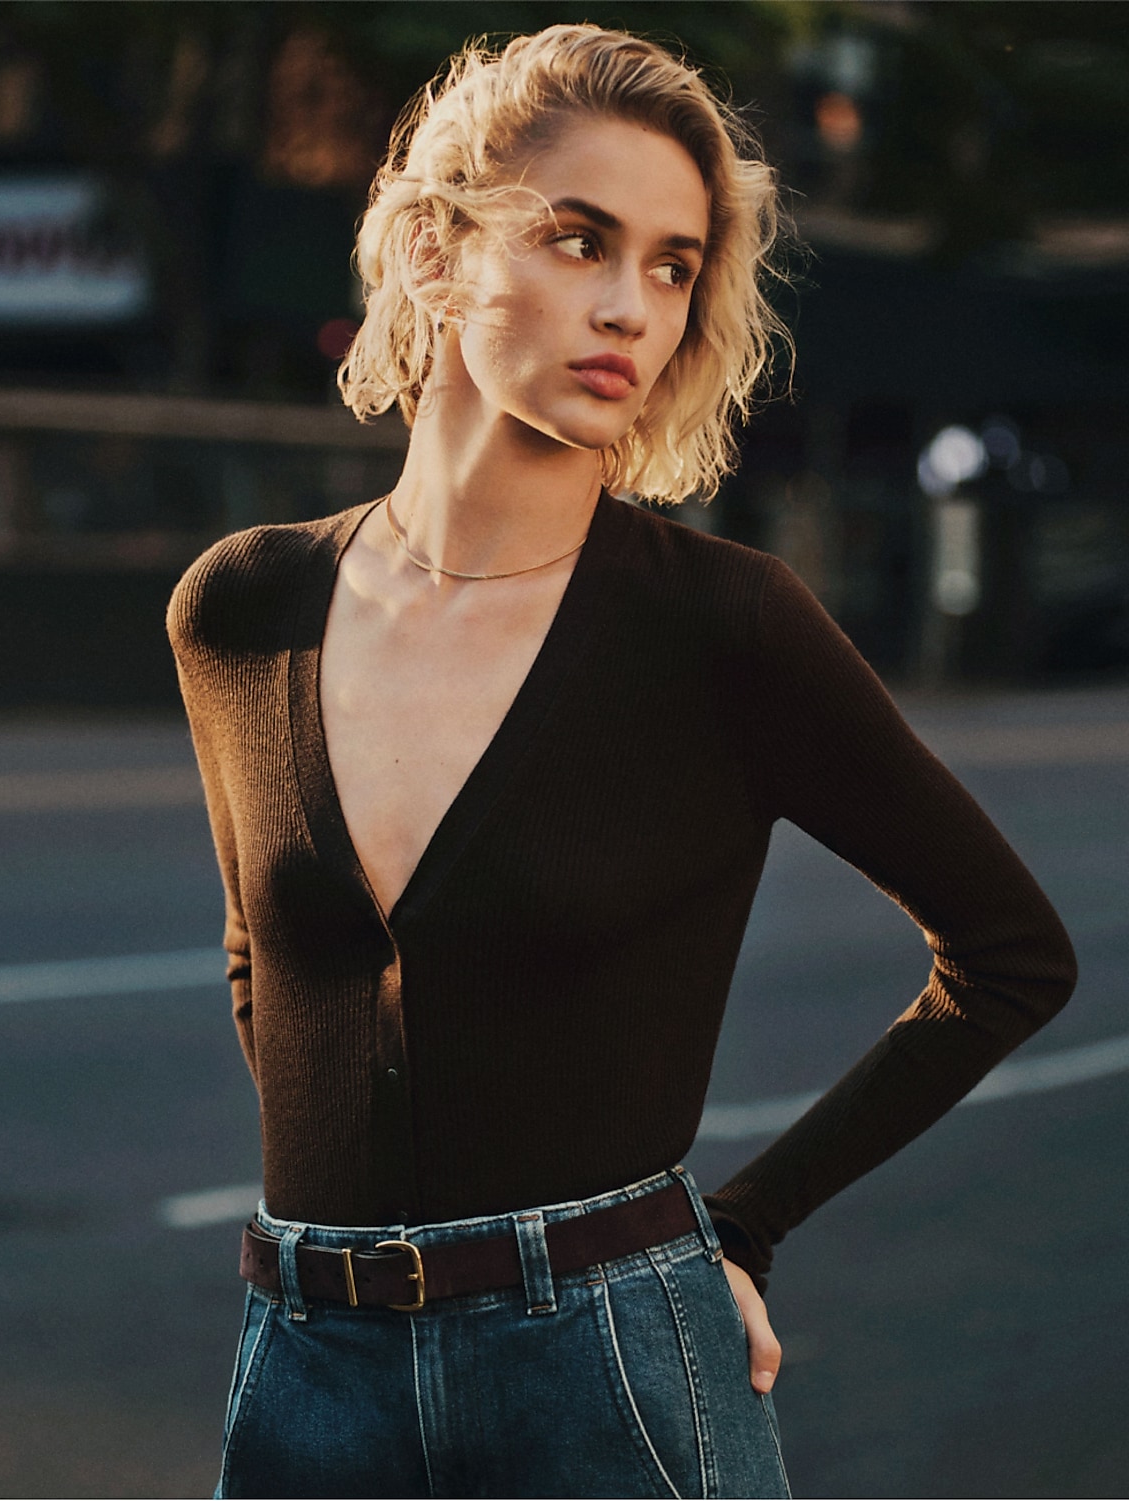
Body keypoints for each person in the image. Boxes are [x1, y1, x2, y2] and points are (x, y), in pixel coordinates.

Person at [168, 24, 1076, 1501]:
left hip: (610, 1362)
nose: (631, 309)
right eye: (580, 239)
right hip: (305, 1371)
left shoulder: (724, 626)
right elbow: (263, 965)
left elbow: (1013, 954)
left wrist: (735, 1231)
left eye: (671, 264)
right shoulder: (242, 609)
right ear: (443, 248)